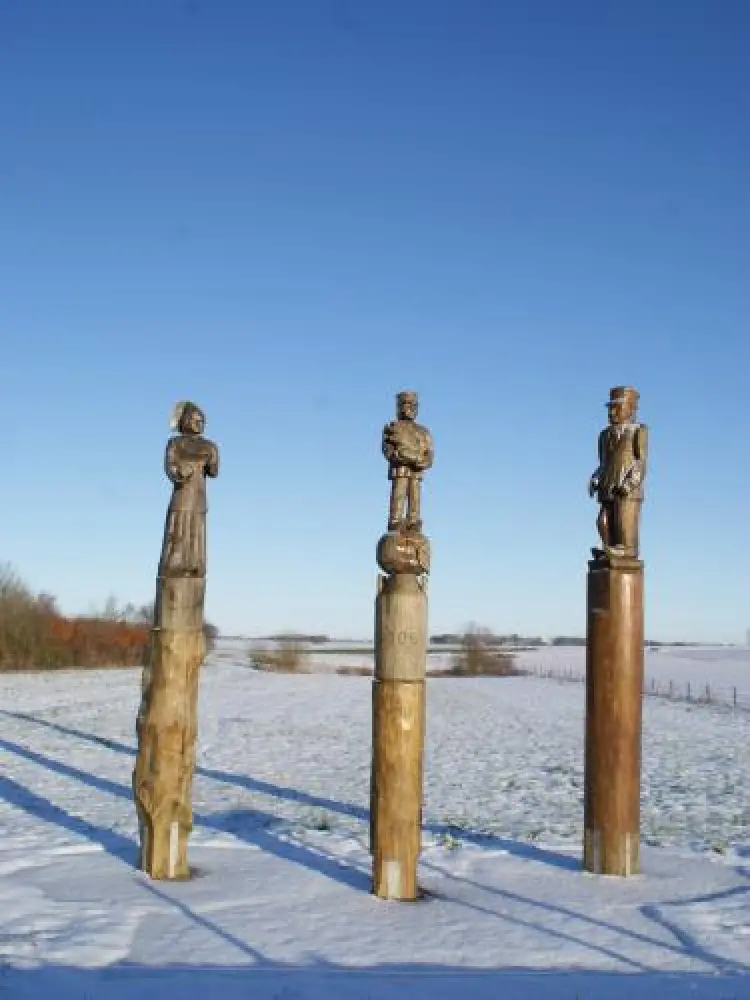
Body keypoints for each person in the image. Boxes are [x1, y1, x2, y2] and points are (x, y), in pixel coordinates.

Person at [158, 401, 220, 577]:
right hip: (182, 495)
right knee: (178, 527)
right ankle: (174, 563)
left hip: (199, 496)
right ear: (186, 420)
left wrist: (212, 459)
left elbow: (214, 472)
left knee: (196, 530)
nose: (200, 424)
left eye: (202, 421)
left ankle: (195, 563)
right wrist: (180, 471)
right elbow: (170, 467)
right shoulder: (175, 443)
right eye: (196, 420)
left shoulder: (209, 446)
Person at [589, 386, 648, 559]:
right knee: (603, 522)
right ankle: (608, 548)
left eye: (617, 407)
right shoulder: (604, 435)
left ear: (631, 409)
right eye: (610, 408)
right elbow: (603, 463)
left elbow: (640, 462)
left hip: (627, 490)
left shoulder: (638, 431)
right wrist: (595, 479)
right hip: (608, 487)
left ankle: (627, 549)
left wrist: (630, 484)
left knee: (624, 524)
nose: (612, 412)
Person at [382, 391, 434, 532]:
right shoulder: (393, 427)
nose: (409, 408)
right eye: (405, 404)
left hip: (416, 472)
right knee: (399, 494)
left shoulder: (424, 432)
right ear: (399, 407)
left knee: (415, 497)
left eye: (413, 405)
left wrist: (420, 462)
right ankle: (396, 520)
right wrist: (407, 457)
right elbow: (389, 452)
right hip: (400, 471)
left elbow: (429, 455)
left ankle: (413, 521)